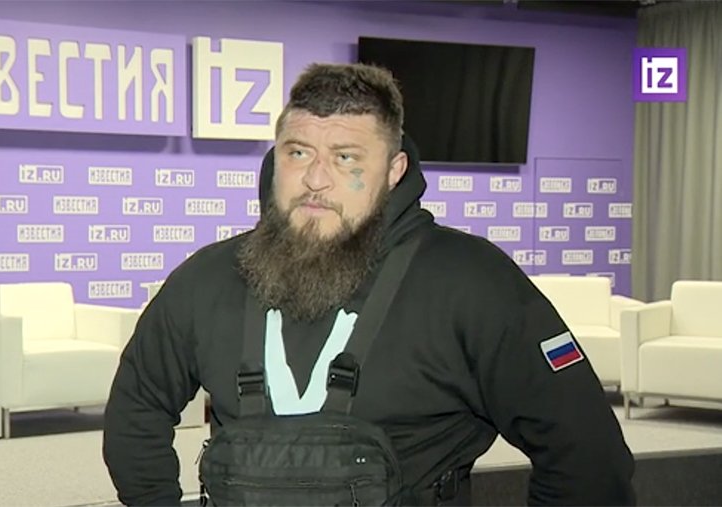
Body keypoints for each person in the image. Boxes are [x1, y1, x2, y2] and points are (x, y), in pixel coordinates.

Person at [103, 62, 635, 506]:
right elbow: (136, 409)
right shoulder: (207, 277)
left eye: (346, 158)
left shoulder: (474, 283)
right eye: (298, 152)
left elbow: (588, 456)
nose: (316, 179)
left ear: (395, 169)